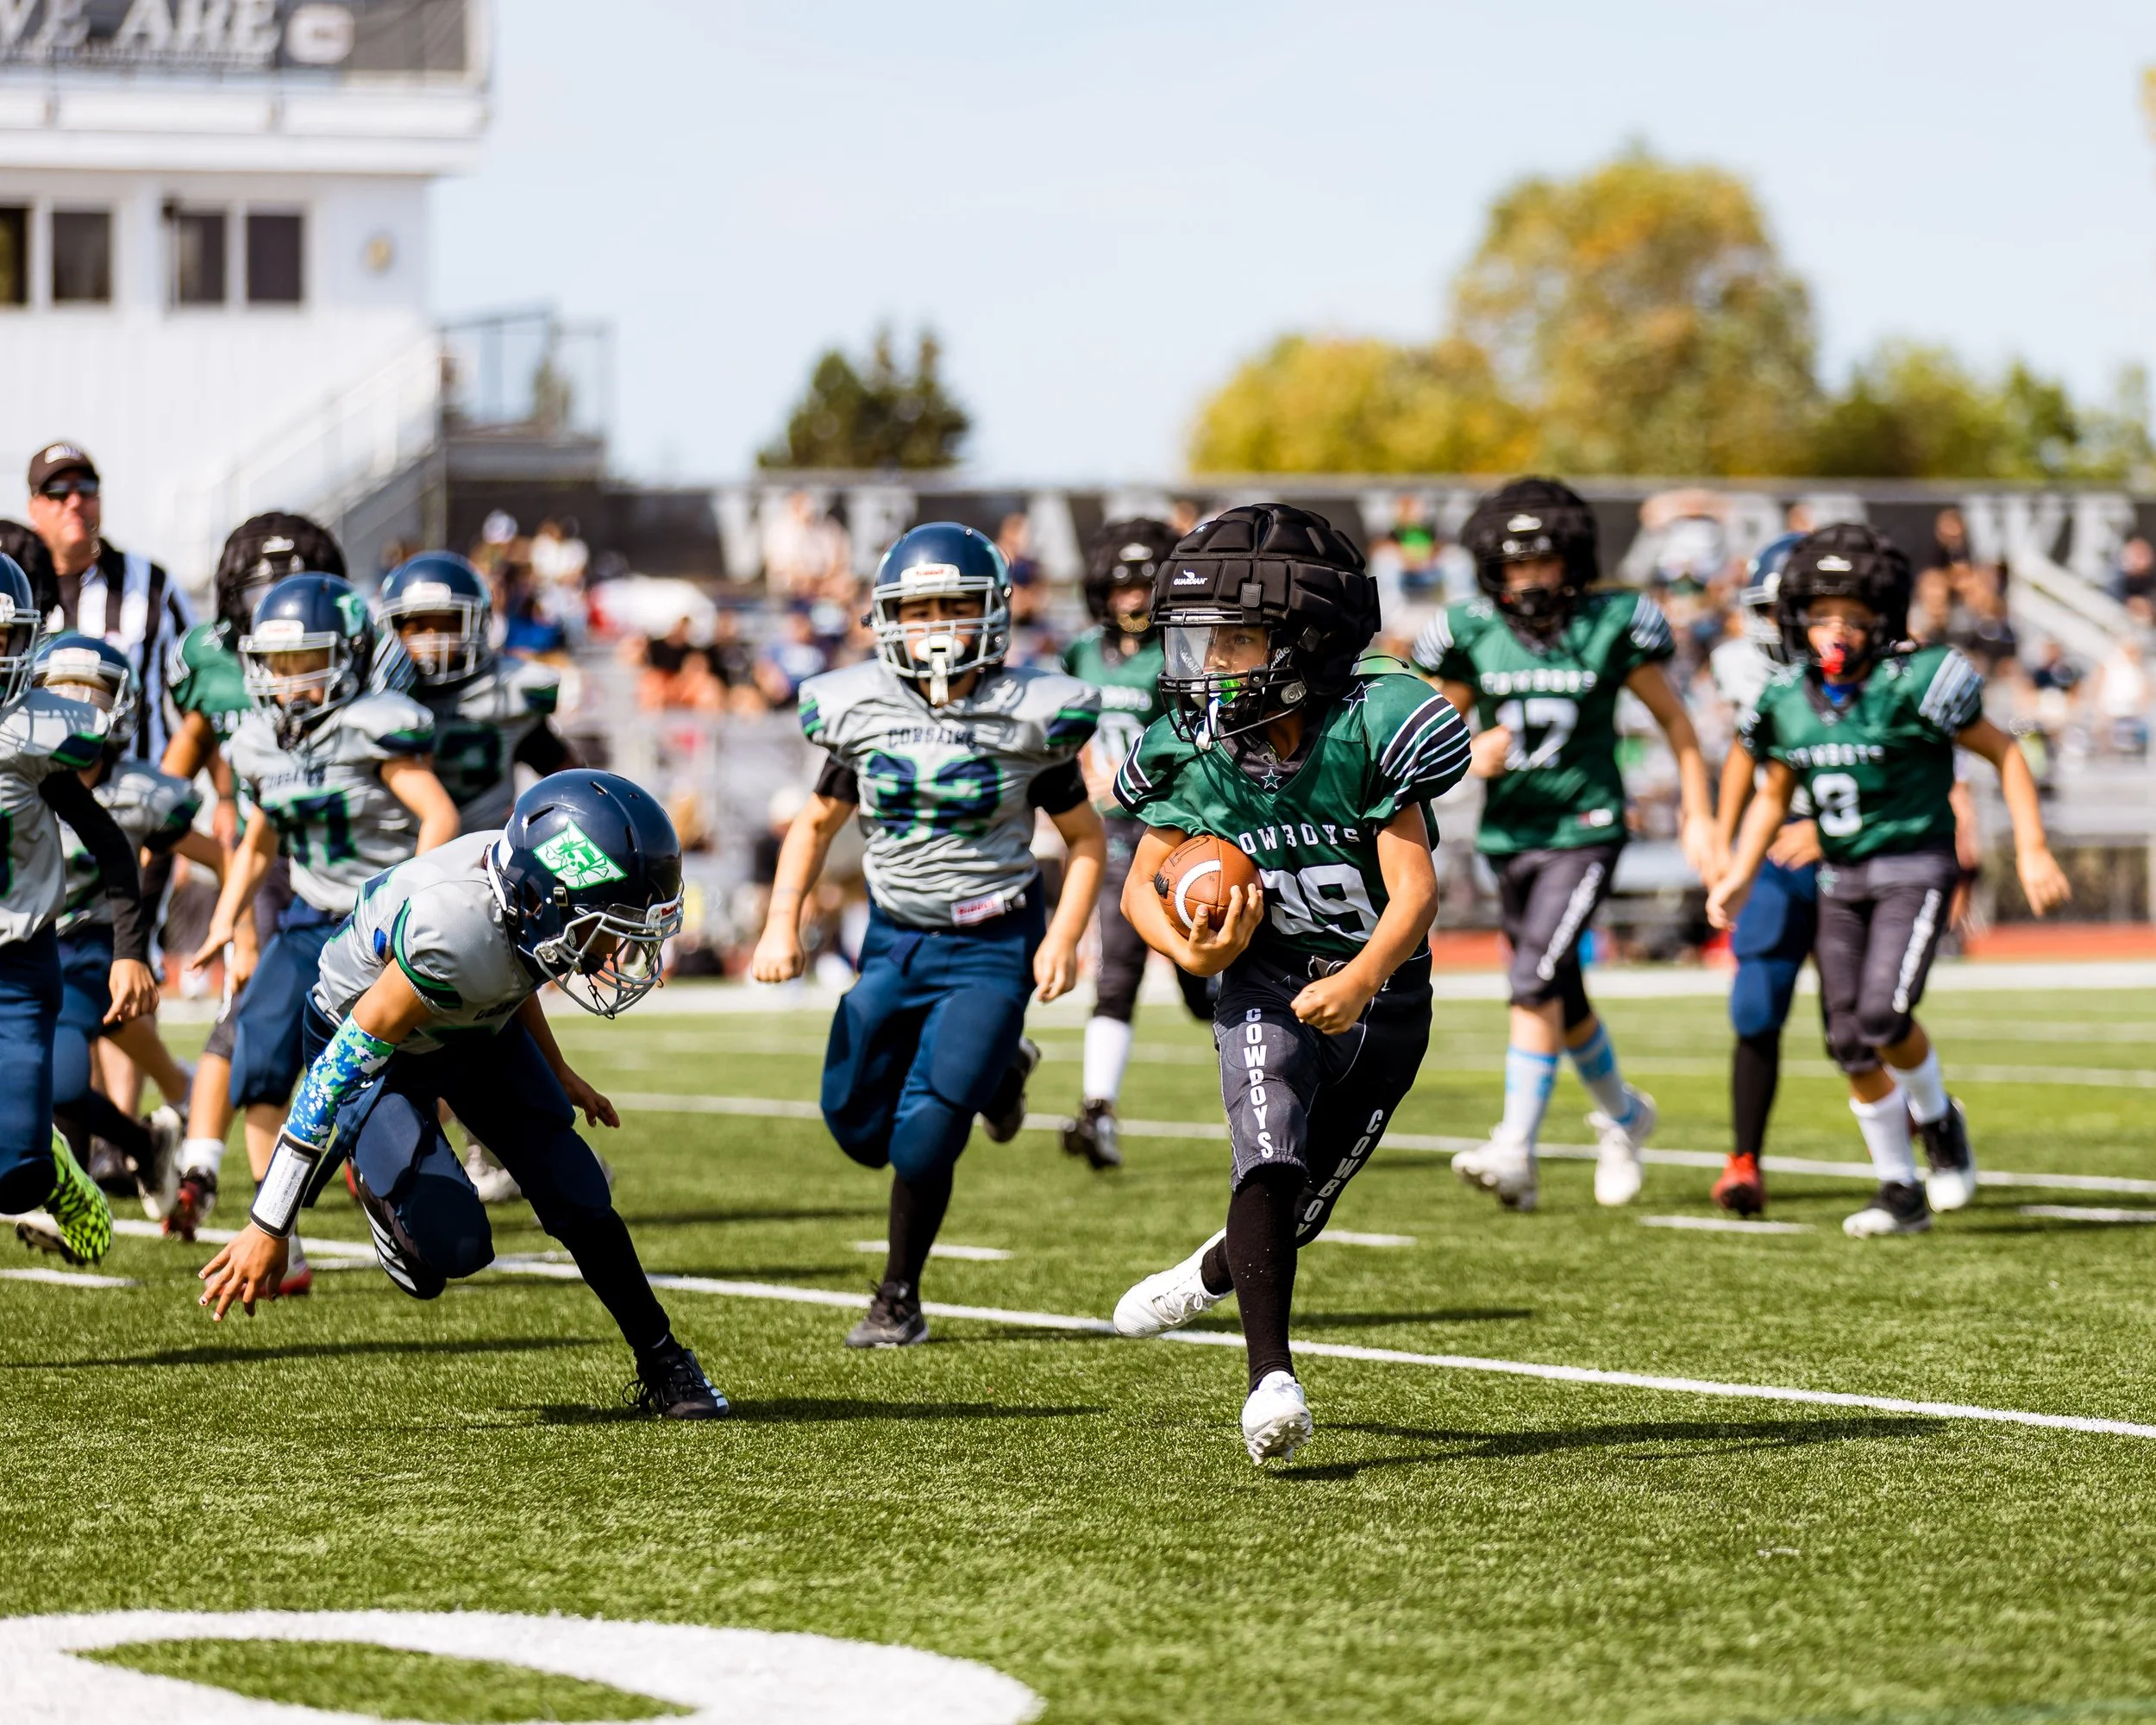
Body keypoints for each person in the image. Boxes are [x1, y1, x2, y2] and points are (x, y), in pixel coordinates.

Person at [1106, 504, 1471, 1465]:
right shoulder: (1193, 745)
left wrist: (1360, 977)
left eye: (1232, 641)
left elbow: (1417, 891)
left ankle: (1209, 1270)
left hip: (1383, 995)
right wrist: (1184, 953)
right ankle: (1271, 1378)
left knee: (1296, 1208)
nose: (1204, 665)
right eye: (1198, 641)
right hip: (1266, 976)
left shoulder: (1373, 720)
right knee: (1265, 1156)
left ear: (1303, 639)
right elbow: (1139, 883)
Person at [196, 770, 726, 1420]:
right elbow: (331, 1078)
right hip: (373, 1051)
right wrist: (268, 1223)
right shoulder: (456, 928)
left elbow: (520, 968)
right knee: (451, 1249)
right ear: (552, 899)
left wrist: (555, 1068)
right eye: (613, 925)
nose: (622, 948)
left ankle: (663, 1357)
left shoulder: (525, 901)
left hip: (471, 1024)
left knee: (578, 1191)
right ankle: (377, 1179)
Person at [750, 522, 1105, 1350]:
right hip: (894, 940)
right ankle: (999, 1072)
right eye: (921, 608)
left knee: (923, 1135)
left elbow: (1086, 841)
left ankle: (899, 1297)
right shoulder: (859, 706)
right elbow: (812, 824)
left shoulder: (1031, 714)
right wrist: (781, 922)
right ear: (886, 618)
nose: (938, 626)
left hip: (991, 945)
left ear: (994, 613)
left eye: (955, 605)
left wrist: (1063, 937)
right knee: (854, 1125)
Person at [1708, 524, 2072, 1236]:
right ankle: (1899, 1188)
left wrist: (2032, 848)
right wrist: (1737, 874)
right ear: (1798, 620)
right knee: (1848, 1041)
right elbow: (1773, 797)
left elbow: (2006, 753)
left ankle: (1937, 1119)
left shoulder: (1918, 679)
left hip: (1913, 865)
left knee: (1882, 1017)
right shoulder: (1784, 697)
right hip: (1841, 876)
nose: (1836, 631)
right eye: (1822, 616)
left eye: (1853, 616)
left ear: (1882, 618)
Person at [1413, 478, 1721, 1213]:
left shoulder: (1613, 622)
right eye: (1516, 565)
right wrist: (1466, 751)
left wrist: (1699, 812)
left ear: (1573, 561)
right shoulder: (1471, 630)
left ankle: (1515, 1145)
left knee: (1533, 980)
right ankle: (1624, 1116)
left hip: (1585, 828)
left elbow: (1678, 724)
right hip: (1508, 832)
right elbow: (1426, 739)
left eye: (1544, 563)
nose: (1531, 579)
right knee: (1560, 992)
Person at [175, 574, 457, 1292]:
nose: (291, 681)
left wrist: (417, 904)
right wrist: (224, 914)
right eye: (279, 665)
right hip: (308, 922)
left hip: (378, 926)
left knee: (397, 1077)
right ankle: (282, 1235)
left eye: (308, 662)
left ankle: (404, 1191)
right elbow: (262, 835)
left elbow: (440, 815)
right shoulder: (260, 742)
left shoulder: (376, 724)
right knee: (258, 1065)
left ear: (349, 656)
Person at [160, 516, 398, 1246]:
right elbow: (217, 797)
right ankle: (258, 1204)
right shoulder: (231, 689)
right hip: (280, 878)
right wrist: (223, 901)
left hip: (365, 881)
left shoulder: (371, 707)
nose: (288, 678)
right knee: (254, 1030)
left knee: (411, 1040)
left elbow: (430, 804)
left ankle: (389, 1167)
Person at [376, 550, 581, 1204]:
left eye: (446, 623)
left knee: (496, 1003)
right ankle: (405, 1148)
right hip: (404, 863)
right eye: (417, 624)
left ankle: (502, 1145)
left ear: (478, 625)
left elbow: (560, 768)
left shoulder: (510, 692)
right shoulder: (380, 701)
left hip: (492, 868)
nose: (432, 641)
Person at [0, 555, 160, 1267]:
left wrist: (130, 951)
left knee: (16, 1177)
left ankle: (53, 1166)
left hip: (20, 966)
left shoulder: (37, 735)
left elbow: (111, 846)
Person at [33, 633, 215, 1209]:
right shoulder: (17, 777)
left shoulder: (140, 791)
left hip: (92, 942)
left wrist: (240, 922)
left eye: (94, 693)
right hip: (25, 941)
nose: (78, 706)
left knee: (60, 1078)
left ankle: (71, 1197)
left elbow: (223, 856)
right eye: (63, 692)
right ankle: (147, 1139)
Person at [1056, 518, 1209, 1170]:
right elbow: (1069, 729)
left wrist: (1142, 786)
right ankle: (1098, 1110)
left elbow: (1203, 741)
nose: (1133, 599)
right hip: (1110, 832)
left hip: (1174, 827)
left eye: (1146, 585)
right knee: (1115, 974)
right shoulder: (1081, 653)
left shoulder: (1184, 651)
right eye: (1122, 586)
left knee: (1203, 986)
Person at [1704, 534, 1814, 1216]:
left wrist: (1833, 831)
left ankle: (1925, 1127)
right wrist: (1722, 841)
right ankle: (1744, 1159)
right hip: (1770, 846)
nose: (1782, 626)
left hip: (1856, 848)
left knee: (1859, 1027)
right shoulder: (1739, 665)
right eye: (1774, 610)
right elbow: (1749, 761)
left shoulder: (1880, 672)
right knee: (1755, 1005)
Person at [23, 442, 195, 763]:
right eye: (58, 491)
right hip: (37, 799)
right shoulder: (15, 588)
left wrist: (173, 782)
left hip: (133, 795)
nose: (74, 501)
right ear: (34, 508)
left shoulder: (152, 584)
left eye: (85, 489)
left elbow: (200, 696)